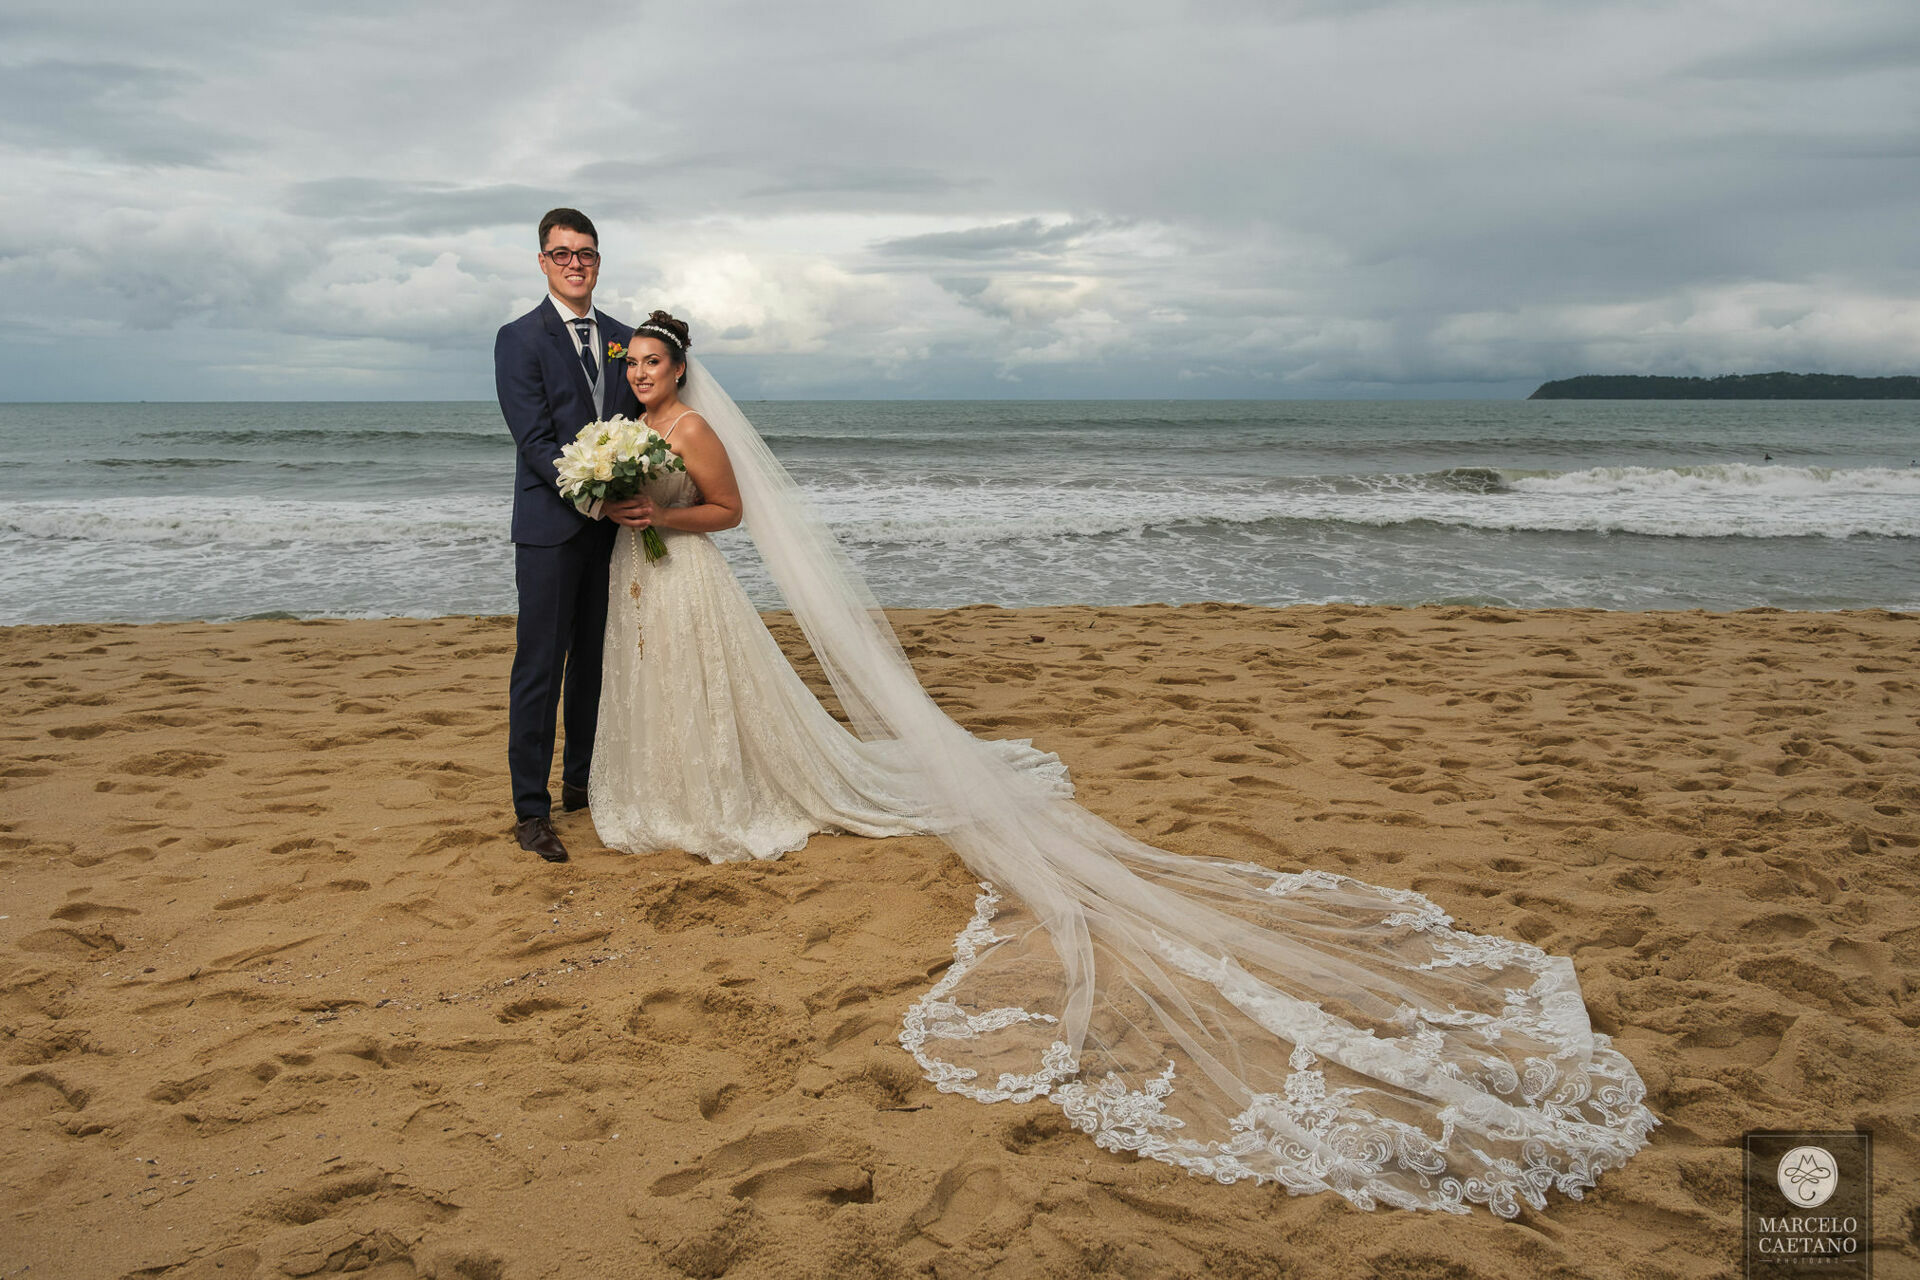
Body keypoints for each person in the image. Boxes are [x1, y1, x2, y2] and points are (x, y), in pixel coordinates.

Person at [586, 314, 1657, 1216]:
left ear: (681, 367)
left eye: (653, 361)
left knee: (719, 693)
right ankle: (669, 788)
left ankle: (726, 792)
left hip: (687, 573)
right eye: (630, 362)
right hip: (642, 576)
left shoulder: (691, 430)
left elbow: (729, 511)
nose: (641, 374)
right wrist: (612, 495)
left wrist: (663, 504)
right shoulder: (629, 428)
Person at [493, 208, 643, 863]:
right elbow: (534, 442)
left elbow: (641, 421)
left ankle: (582, 785)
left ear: (599, 261)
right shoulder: (519, 338)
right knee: (540, 669)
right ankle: (532, 811)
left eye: (585, 252)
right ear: (543, 262)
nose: (574, 263)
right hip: (551, 530)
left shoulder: (623, 337)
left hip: (616, 533)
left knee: (594, 667)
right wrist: (593, 498)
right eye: (562, 254)